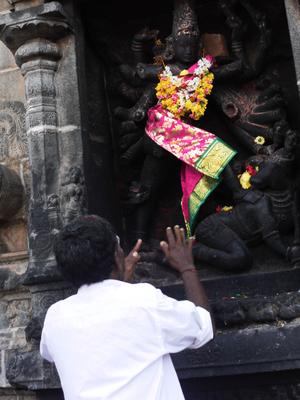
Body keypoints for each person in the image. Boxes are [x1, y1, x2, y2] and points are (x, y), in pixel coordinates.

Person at [40, 215, 214, 400]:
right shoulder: (143, 301)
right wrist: (187, 267)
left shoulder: (55, 317)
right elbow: (204, 327)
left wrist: (119, 284)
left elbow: (57, 352)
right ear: (117, 257)